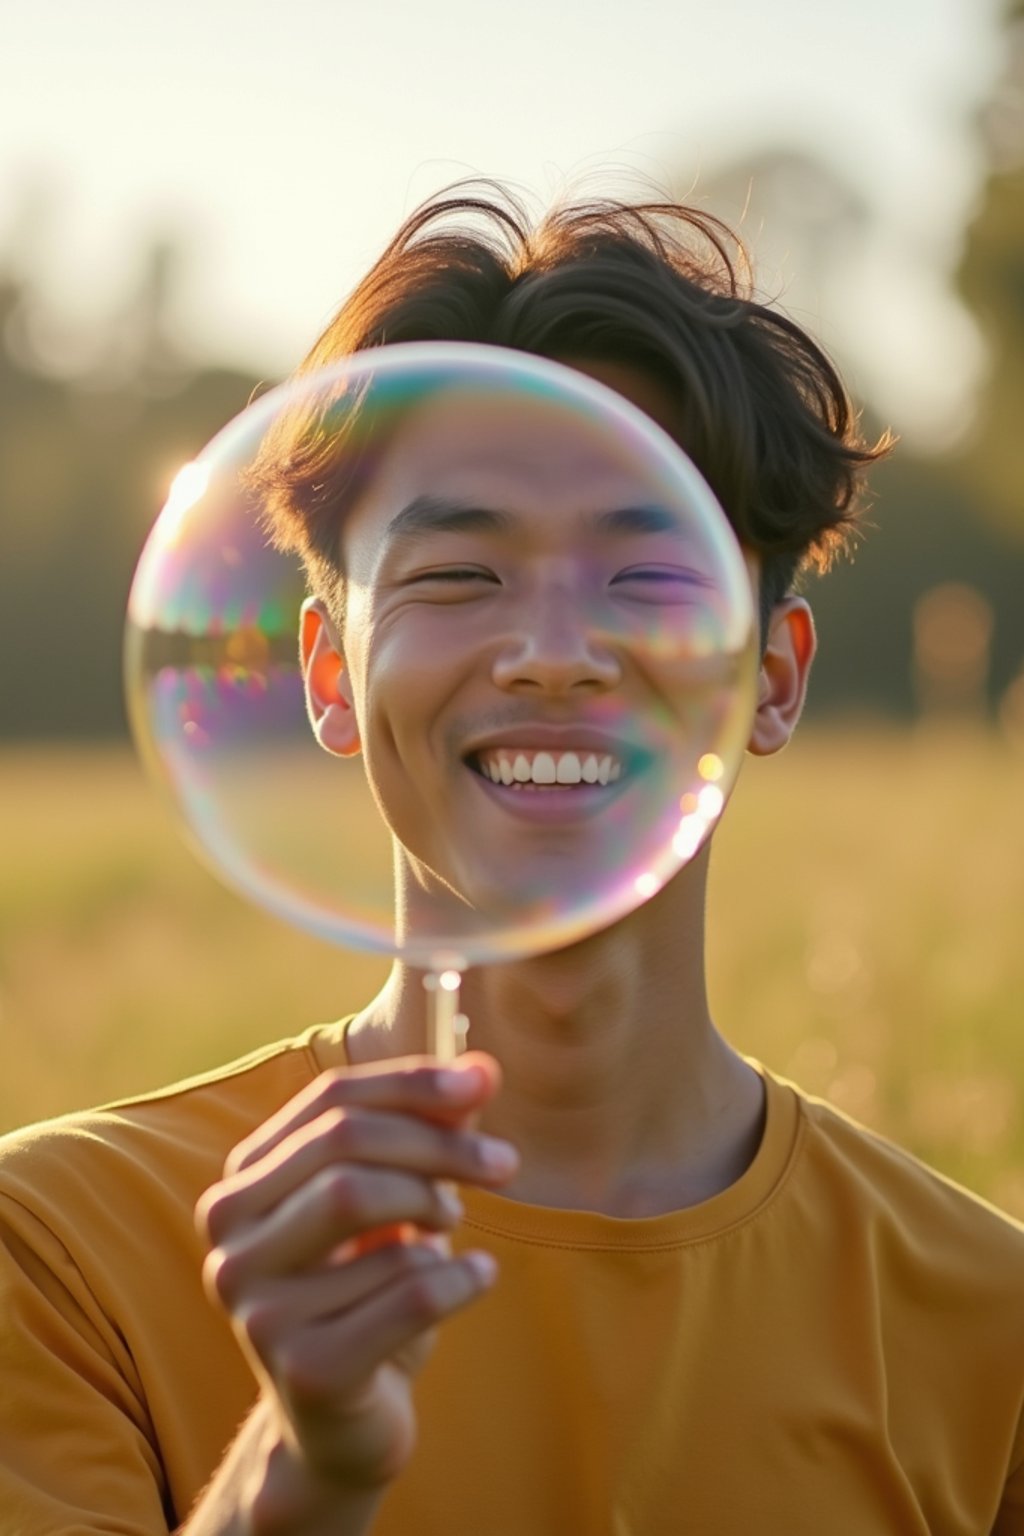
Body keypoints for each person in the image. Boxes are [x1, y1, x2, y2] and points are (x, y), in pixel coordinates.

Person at [1, 180, 1022, 1536]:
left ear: (772, 679)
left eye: (648, 578)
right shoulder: (61, 1253)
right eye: (457, 577)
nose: (551, 651)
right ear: (328, 672)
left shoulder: (985, 1326)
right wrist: (293, 1482)